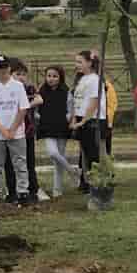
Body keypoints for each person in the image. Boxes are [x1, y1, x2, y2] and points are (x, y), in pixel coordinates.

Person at [0, 54, 31, 204]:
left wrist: (12, 129)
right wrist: (3, 130)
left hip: (17, 133)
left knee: (20, 164)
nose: (2, 71)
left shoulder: (18, 87)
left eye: (4, 68)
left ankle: (23, 192)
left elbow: (23, 109)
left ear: (9, 68)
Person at [34, 65, 80, 199]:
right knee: (53, 153)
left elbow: (71, 109)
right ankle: (73, 171)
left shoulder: (66, 92)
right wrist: (40, 117)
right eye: (49, 76)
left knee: (58, 161)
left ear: (60, 78)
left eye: (55, 76)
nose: (51, 79)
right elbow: (36, 110)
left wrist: (67, 118)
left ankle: (57, 190)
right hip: (47, 128)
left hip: (61, 127)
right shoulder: (41, 91)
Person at [2, 57, 41, 202]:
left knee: (29, 162)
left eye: (24, 74)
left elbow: (39, 99)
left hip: (27, 131)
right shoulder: (4, 89)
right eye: (17, 74)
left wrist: (26, 105)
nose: (21, 77)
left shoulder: (29, 88)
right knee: (10, 163)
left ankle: (32, 189)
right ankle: (12, 190)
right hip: (9, 132)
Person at [71, 49, 103, 187]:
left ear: (90, 63)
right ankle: (86, 181)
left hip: (91, 120)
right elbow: (77, 100)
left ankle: (96, 182)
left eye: (80, 62)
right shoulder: (82, 79)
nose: (77, 65)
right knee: (84, 152)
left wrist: (84, 121)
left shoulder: (95, 79)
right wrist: (74, 119)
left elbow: (94, 101)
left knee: (92, 153)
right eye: (76, 62)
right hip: (80, 118)